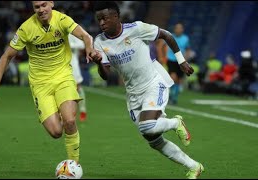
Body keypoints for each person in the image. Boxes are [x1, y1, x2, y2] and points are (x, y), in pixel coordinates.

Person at [91, 2, 204, 179]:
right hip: (133, 94)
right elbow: (105, 75)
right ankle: (194, 166)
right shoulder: (99, 42)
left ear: (116, 17)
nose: (102, 23)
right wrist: (98, 61)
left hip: (153, 82)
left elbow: (166, 35)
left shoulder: (136, 28)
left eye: (105, 18)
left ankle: (176, 123)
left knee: (147, 125)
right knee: (153, 140)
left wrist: (181, 60)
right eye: (99, 19)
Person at [0, 1, 99, 163]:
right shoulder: (26, 28)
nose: (41, 10)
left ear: (51, 3)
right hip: (40, 84)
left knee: (70, 121)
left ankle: (74, 165)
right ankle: (58, 110)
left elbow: (85, 36)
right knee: (56, 132)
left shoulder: (62, 20)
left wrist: (89, 48)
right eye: (37, 7)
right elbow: (7, 56)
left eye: (44, 5)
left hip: (63, 77)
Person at [166, 23, 190, 105]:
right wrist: (163, 56)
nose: (178, 30)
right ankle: (170, 95)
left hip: (181, 61)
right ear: (174, 29)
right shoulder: (170, 36)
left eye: (180, 28)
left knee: (179, 80)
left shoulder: (186, 38)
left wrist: (186, 60)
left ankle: (174, 98)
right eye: (177, 28)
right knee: (173, 78)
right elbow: (163, 46)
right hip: (171, 59)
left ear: (182, 30)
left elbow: (187, 49)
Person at [69, 34, 87, 122]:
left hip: (73, 65)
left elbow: (82, 45)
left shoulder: (71, 33)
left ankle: (83, 111)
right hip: (60, 67)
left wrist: (69, 45)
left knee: (78, 88)